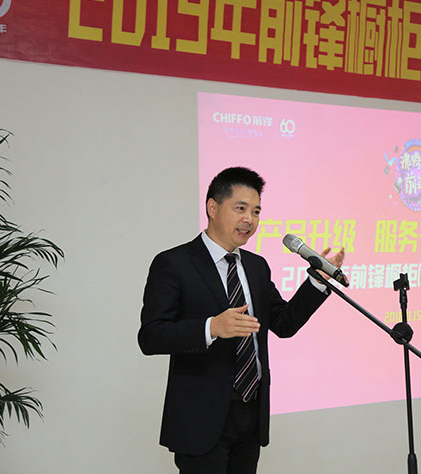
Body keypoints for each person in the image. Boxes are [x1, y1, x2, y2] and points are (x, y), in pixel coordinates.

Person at [138, 166, 344, 474]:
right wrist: (211, 327)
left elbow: (284, 324)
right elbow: (151, 336)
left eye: (256, 211)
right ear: (212, 208)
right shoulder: (174, 263)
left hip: (250, 412)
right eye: (241, 208)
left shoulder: (256, 266)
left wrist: (316, 282)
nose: (250, 219)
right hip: (201, 418)